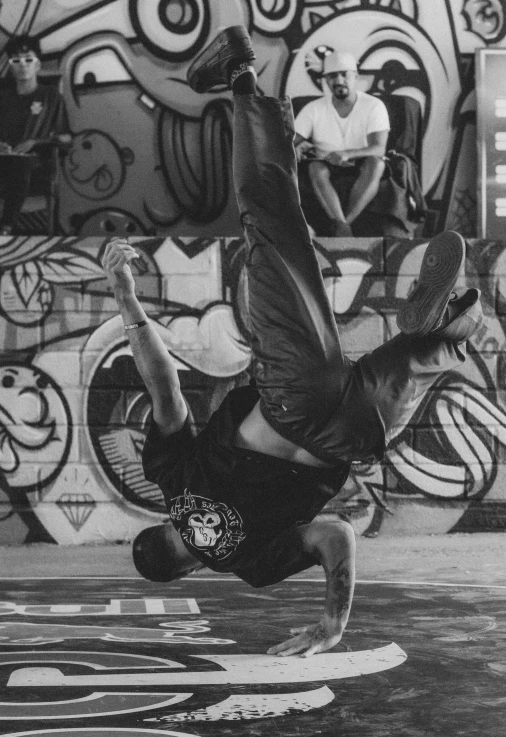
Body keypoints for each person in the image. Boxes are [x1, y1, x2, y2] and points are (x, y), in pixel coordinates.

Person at [102, 25, 483, 658]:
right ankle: (241, 76)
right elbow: (163, 383)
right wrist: (123, 296)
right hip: (293, 397)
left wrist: (332, 623)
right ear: (161, 526)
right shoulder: (171, 480)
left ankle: (454, 324)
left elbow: (336, 533)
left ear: (190, 569)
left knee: (419, 357)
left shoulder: (250, 564)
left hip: (357, 437)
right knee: (269, 216)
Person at [294, 50, 390, 236]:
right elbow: (287, 143)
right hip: (327, 164)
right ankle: (344, 226)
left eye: (344, 74)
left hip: (361, 162)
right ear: (326, 80)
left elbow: (379, 148)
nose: (338, 80)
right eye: (332, 76)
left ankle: (343, 225)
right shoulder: (313, 109)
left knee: (376, 164)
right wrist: (295, 147)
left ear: (355, 76)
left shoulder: (373, 105)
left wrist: (348, 153)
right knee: (315, 168)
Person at [0, 35, 71, 234]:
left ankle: (6, 226)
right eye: (16, 61)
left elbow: (67, 138)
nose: (23, 65)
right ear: (11, 66)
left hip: (35, 164)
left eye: (28, 60)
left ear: (38, 65)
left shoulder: (51, 97)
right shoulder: (3, 97)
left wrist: (36, 142)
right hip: (3, 162)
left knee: (21, 165)